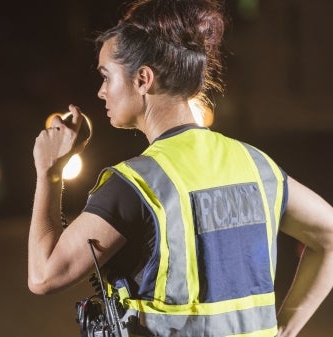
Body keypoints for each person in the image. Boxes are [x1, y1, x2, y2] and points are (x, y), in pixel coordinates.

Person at [28, 0, 333, 336]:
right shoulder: (257, 166)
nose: (101, 92)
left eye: (106, 76)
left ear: (143, 78)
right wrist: (287, 329)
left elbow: (44, 276)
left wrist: (49, 171)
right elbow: (329, 234)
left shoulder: (137, 184)